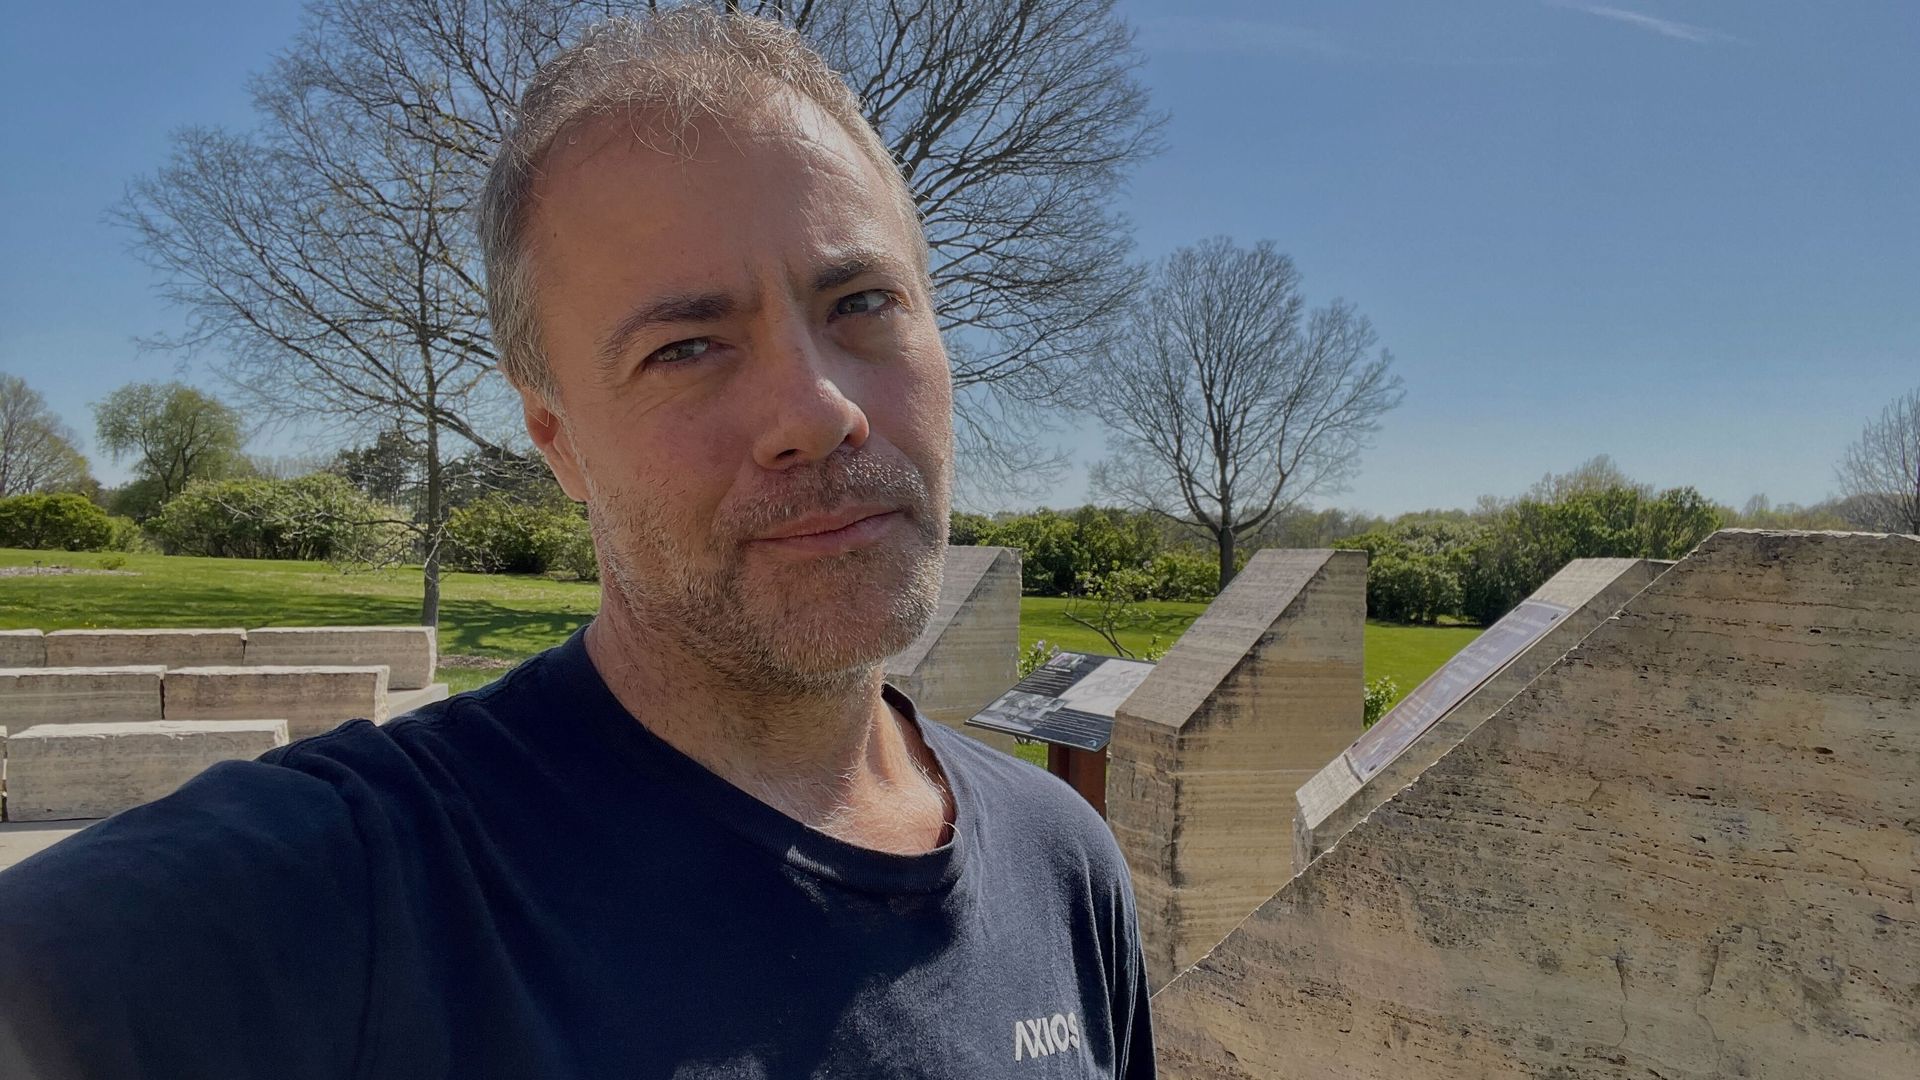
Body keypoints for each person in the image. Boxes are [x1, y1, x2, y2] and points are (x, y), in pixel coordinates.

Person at [0, 9, 1154, 1078]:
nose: (816, 410)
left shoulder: (1063, 865)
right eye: (686, 347)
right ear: (557, 439)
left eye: (862, 302)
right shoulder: (363, 886)